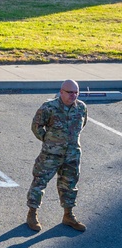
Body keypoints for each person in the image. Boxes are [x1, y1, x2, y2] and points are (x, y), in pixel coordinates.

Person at [27, 79, 88, 232]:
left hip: (72, 155)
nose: (73, 95)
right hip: (50, 155)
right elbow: (36, 126)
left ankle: (68, 215)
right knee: (39, 183)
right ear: (61, 92)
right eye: (69, 92)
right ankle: (32, 214)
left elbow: (82, 125)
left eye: (76, 92)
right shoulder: (49, 107)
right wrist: (49, 140)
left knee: (70, 185)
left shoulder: (81, 108)